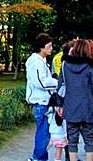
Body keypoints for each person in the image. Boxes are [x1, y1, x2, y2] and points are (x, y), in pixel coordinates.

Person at [57, 38, 93, 161]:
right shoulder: (91, 67)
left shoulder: (65, 66)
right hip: (88, 108)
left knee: (72, 141)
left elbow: (60, 86)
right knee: (89, 140)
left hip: (70, 108)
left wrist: (59, 105)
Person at [26, 33, 58, 161]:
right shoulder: (36, 62)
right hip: (41, 102)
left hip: (44, 101)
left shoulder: (41, 61)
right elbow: (41, 82)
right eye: (49, 46)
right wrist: (57, 82)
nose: (51, 48)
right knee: (43, 133)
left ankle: (41, 158)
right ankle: (36, 158)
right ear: (41, 47)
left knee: (44, 132)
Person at [47, 94, 68, 161]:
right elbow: (64, 126)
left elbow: (49, 122)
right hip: (61, 136)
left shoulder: (50, 112)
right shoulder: (62, 112)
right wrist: (66, 136)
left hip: (53, 136)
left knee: (57, 152)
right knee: (58, 154)